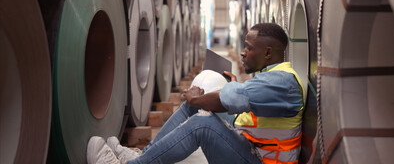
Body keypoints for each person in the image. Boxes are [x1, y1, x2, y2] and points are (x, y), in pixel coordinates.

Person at [87, 23, 305, 164]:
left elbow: (230, 99)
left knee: (203, 123)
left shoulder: (282, 81)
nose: (243, 52)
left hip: (260, 160)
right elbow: (245, 98)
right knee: (195, 108)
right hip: (251, 148)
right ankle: (144, 156)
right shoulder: (275, 76)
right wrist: (208, 97)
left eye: (248, 47)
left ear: (268, 53)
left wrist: (196, 97)